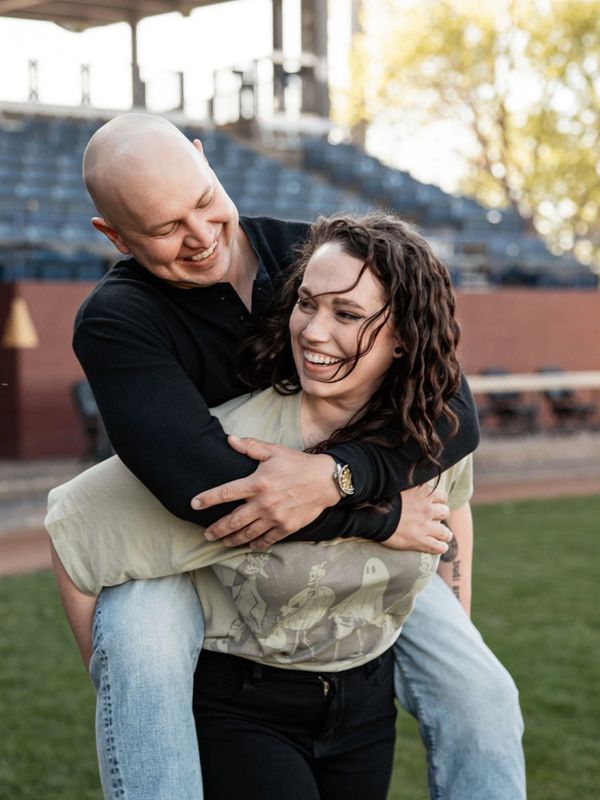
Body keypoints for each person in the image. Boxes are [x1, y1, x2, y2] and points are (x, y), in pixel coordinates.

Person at [48, 114, 525, 799]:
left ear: (205, 160)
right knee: (143, 657)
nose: (202, 235)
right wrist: (379, 517)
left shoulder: (314, 253)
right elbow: (203, 485)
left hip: (350, 519)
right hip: (196, 543)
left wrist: (344, 477)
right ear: (114, 236)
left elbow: (449, 406)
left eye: (205, 200)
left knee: (482, 693)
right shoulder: (118, 319)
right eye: (164, 229)